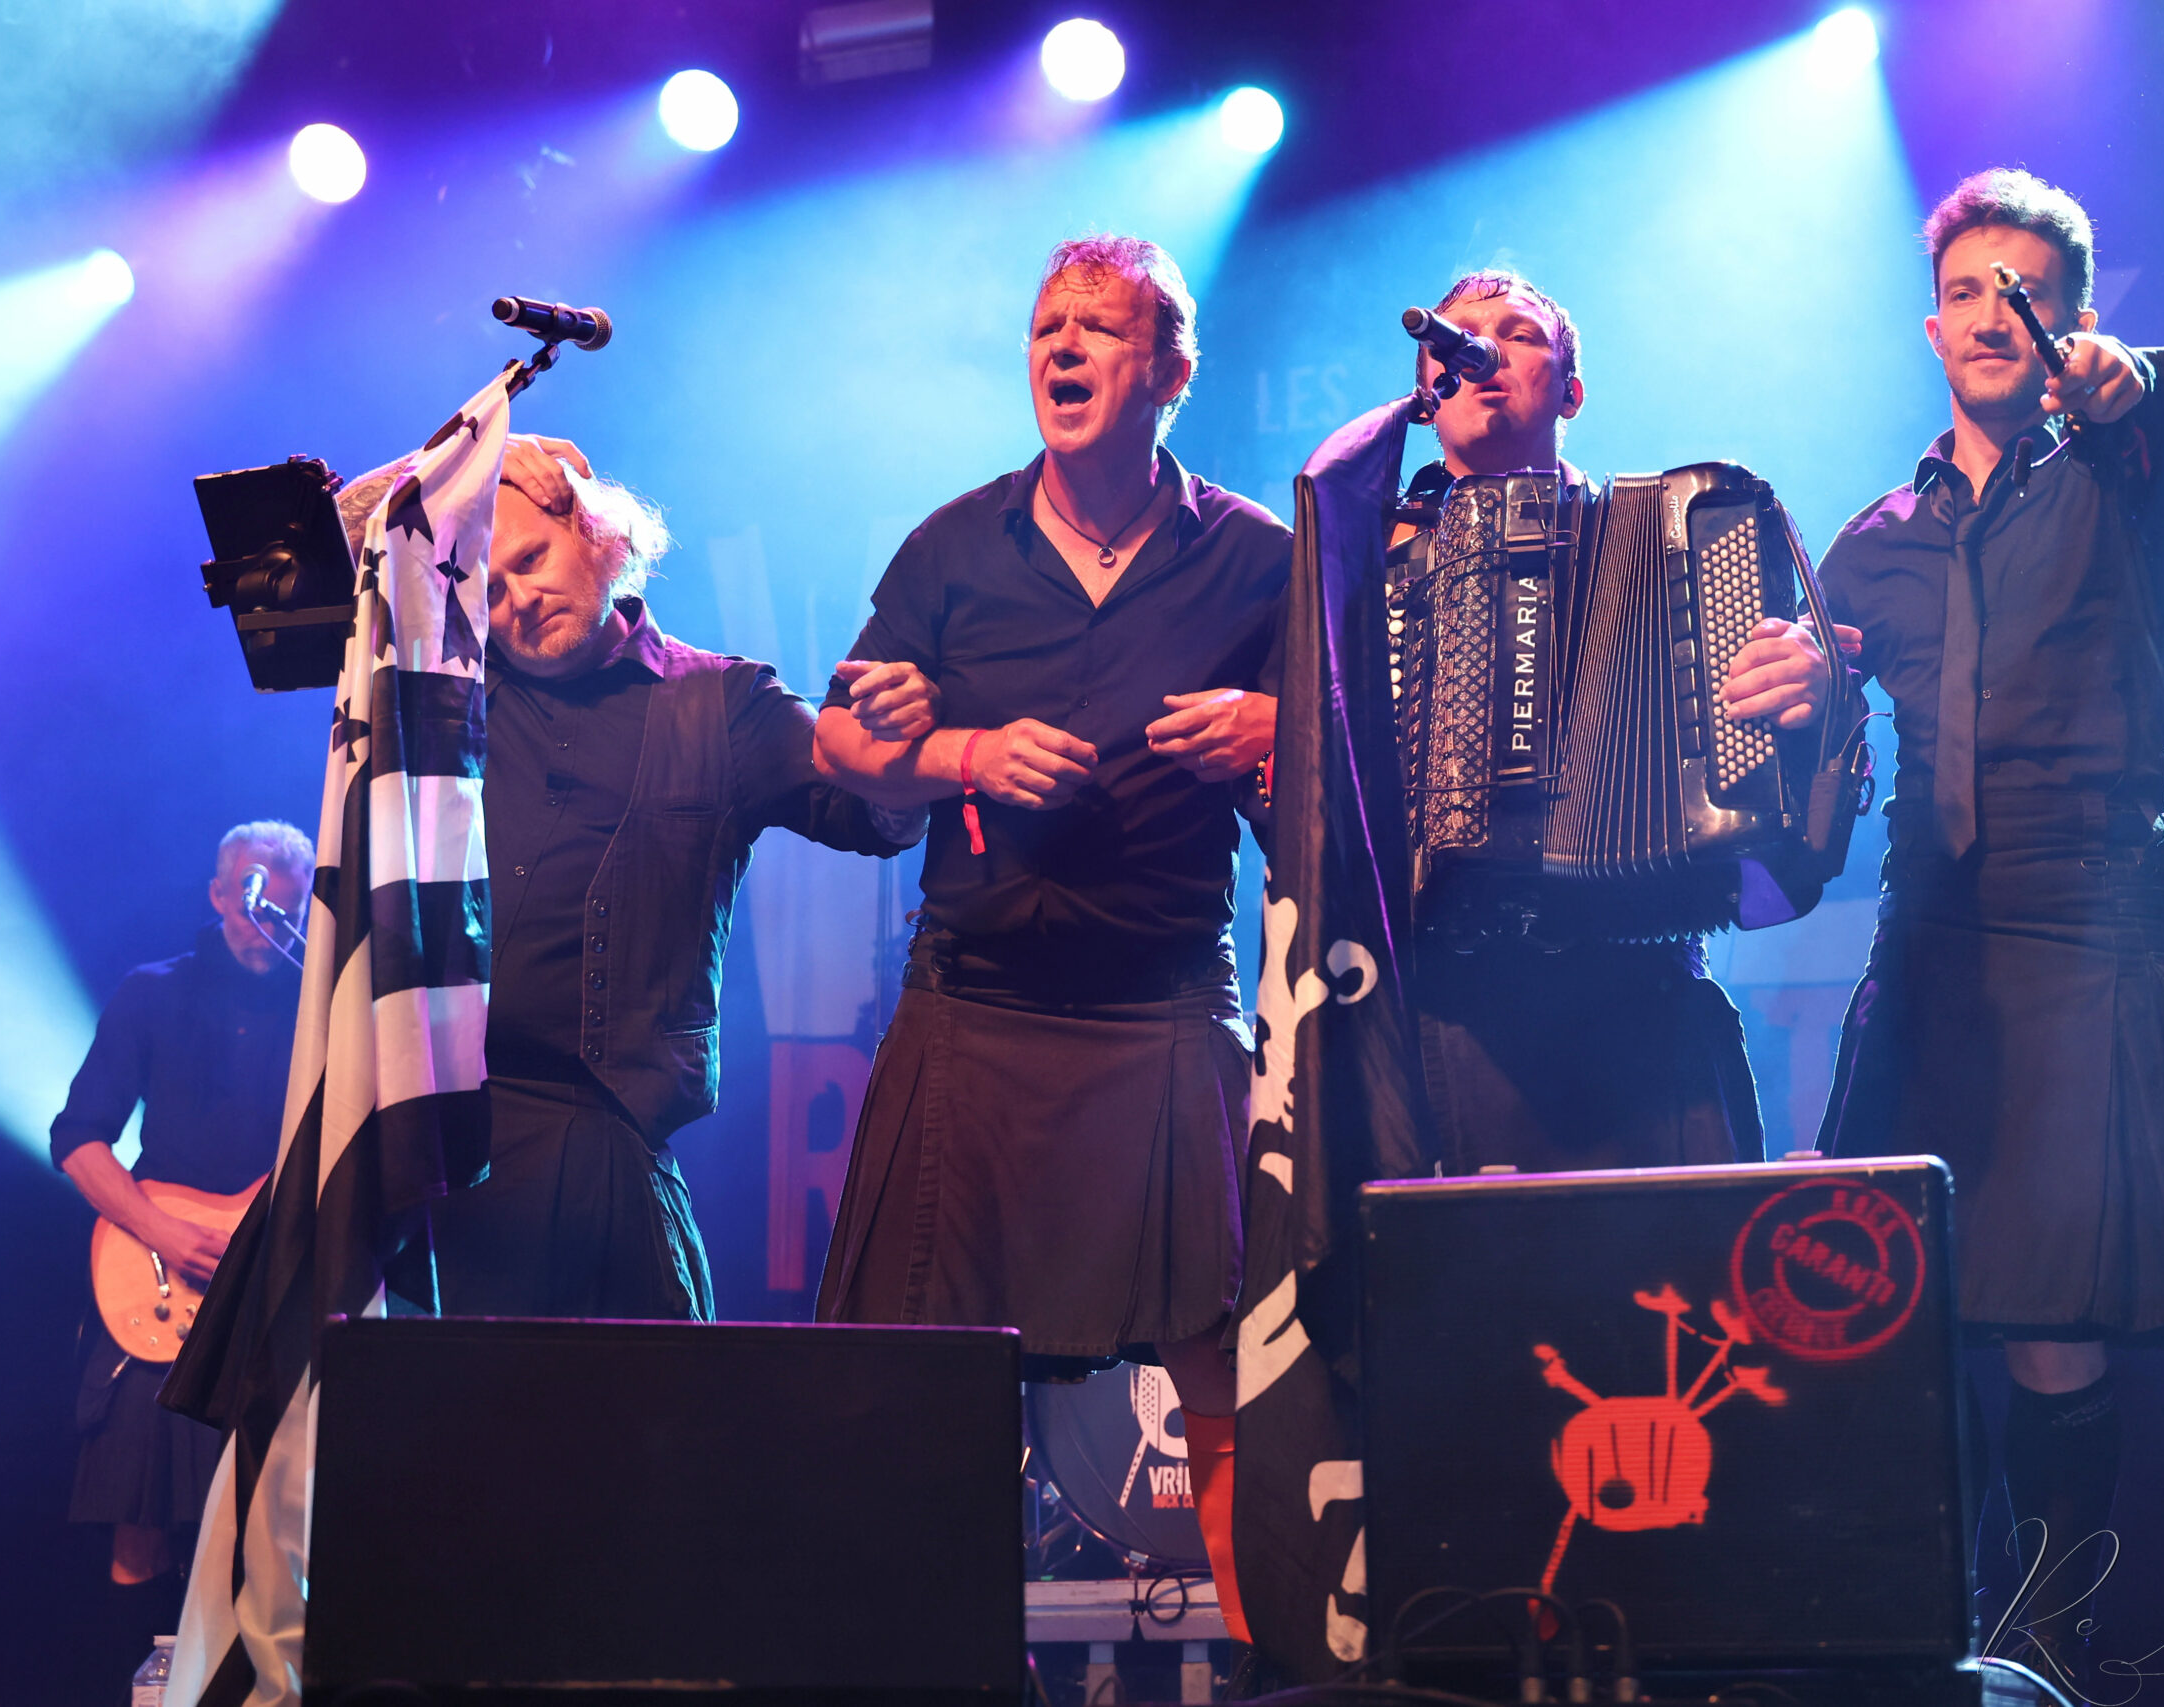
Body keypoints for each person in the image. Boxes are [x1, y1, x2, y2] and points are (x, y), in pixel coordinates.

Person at [808, 235, 1286, 1645]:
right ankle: (921, 1675)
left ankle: (1272, 1677)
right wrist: (960, 749)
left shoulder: (1257, 558)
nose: (1064, 347)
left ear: (1169, 370)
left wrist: (1270, 737)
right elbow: (841, 742)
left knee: (1230, 1373)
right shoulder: (955, 544)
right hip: (978, 1008)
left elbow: (1349, 774)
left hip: (1161, 1011)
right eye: (1046, 326)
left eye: (1100, 327)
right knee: (920, 1389)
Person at [1813, 169, 2164, 1688]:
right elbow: (1806, 781)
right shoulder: (1868, 545)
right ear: (1932, 325)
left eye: (2030, 292)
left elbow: (2151, 416)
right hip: (1930, 941)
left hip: (2082, 926)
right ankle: (1932, 1644)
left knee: (2056, 1317)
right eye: (1972, 290)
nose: (1998, 312)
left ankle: (2048, 1651)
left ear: (2072, 322)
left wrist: (2127, 395)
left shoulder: (2129, 468)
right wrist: (1797, 705)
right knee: (1891, 1320)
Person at [328, 437, 920, 1321]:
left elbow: (872, 815)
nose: (518, 598)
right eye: (488, 586)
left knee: (637, 1450)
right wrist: (489, 447)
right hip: (439, 1156)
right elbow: (354, 529)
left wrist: (907, 746)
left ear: (599, 535)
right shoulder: (459, 682)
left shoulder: (724, 704)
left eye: (530, 558)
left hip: (604, 1158)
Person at [1390, 269, 1842, 1172]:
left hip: (1647, 996)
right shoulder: (1362, 557)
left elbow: (1796, 794)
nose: (1479, 351)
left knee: (1696, 1301)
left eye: (1517, 333)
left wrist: (1810, 701)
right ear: (1424, 395)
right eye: (1454, 338)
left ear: (1571, 388)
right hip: (1451, 1006)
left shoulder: (1672, 537)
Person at [53, 822, 312, 1649]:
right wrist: (160, 1228)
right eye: (249, 894)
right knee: (141, 1523)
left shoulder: (322, 1011)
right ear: (217, 892)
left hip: (273, 1296)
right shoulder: (153, 992)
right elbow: (78, 1138)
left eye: (286, 900)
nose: (263, 913)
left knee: (273, 1530)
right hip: (159, 1283)